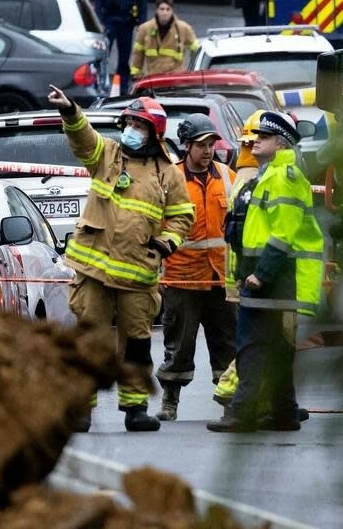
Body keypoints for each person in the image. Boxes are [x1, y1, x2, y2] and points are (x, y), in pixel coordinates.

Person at [47, 85, 194, 432]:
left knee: (137, 345)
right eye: (129, 122)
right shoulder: (108, 154)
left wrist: (165, 244)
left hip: (138, 274)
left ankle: (135, 408)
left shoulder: (168, 173)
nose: (131, 130)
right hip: (93, 267)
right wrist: (70, 110)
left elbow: (182, 216)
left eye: (139, 125)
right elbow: (84, 139)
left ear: (154, 133)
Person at [208, 112, 325, 432]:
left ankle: (243, 413)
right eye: (255, 135)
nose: (255, 140)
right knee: (277, 349)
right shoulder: (266, 175)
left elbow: (283, 234)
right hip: (265, 281)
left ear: (281, 143)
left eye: (264, 136)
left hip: (270, 282)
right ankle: (284, 413)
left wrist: (261, 274)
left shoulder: (284, 177)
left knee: (251, 348)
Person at [155, 114, 237, 421]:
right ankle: (170, 400)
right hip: (182, 277)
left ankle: (231, 399)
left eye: (211, 144)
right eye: (201, 145)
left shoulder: (228, 177)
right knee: (179, 344)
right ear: (186, 145)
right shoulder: (170, 179)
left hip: (220, 278)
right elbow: (155, 225)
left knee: (227, 342)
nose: (207, 150)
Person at [213, 109, 266, 407]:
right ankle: (231, 387)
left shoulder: (242, 176)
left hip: (239, 274)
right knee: (259, 336)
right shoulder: (254, 180)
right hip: (253, 275)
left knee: (254, 335)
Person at [96, 0, 146, 93]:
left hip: (127, 22)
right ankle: (101, 84)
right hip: (109, 21)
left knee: (124, 56)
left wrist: (141, 21)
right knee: (104, 55)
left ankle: (122, 87)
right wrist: (99, 20)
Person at [130, 0, 199, 80]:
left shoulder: (183, 29)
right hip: (153, 79)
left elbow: (197, 50)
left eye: (167, 9)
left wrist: (193, 73)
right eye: (162, 9)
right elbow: (138, 54)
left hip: (176, 80)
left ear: (172, 11)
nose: (164, 12)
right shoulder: (145, 29)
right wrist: (136, 74)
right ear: (157, 11)